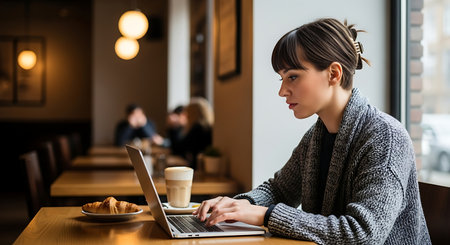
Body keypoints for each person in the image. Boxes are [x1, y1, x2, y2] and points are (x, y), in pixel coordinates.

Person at [193, 18, 431, 244]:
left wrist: (265, 216)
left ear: (334, 74)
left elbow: (363, 234)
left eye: (293, 77)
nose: (283, 91)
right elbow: (279, 189)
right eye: (282, 79)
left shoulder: (386, 137)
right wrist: (236, 206)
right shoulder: (316, 137)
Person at [169, 98, 213, 170]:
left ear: (193, 113)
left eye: (187, 113)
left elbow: (178, 149)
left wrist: (174, 127)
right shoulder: (206, 127)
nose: (186, 116)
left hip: (198, 170)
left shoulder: (197, 129)